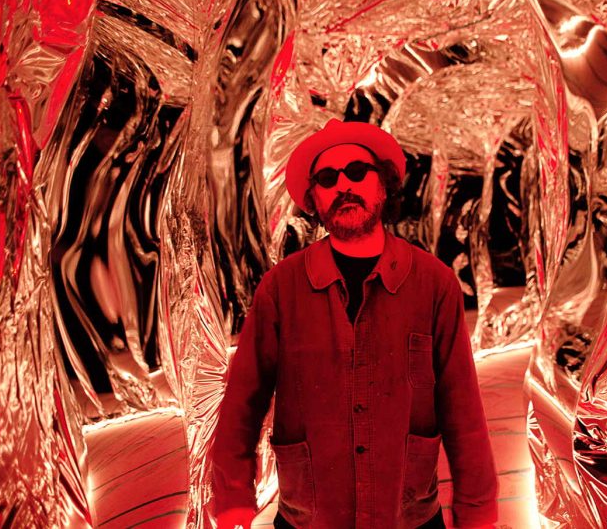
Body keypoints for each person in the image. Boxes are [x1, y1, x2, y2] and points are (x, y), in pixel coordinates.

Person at [210, 118, 498, 528]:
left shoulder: (434, 284)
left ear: (383, 184)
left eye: (357, 172)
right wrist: (232, 495)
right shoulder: (280, 289)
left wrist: (477, 510)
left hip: (408, 516)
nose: (344, 185)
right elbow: (243, 397)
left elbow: (462, 406)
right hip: (311, 517)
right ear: (314, 199)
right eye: (328, 179)